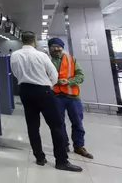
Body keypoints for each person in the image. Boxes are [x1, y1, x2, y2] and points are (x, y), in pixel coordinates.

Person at [10, 31, 82, 172]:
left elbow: (15, 73)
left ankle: (40, 158)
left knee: (32, 125)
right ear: (34, 40)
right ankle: (61, 161)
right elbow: (53, 76)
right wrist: (48, 85)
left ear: (21, 40)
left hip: (24, 91)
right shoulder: (41, 55)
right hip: (43, 92)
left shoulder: (15, 55)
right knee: (56, 126)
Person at [48, 38, 94, 159]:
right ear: (49, 48)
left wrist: (68, 81)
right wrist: (58, 81)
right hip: (56, 96)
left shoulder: (71, 59)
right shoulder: (46, 60)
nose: (57, 48)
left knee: (77, 122)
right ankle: (64, 144)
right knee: (59, 123)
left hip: (73, 96)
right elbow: (43, 77)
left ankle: (79, 146)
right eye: (54, 46)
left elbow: (81, 75)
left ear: (62, 47)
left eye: (59, 46)